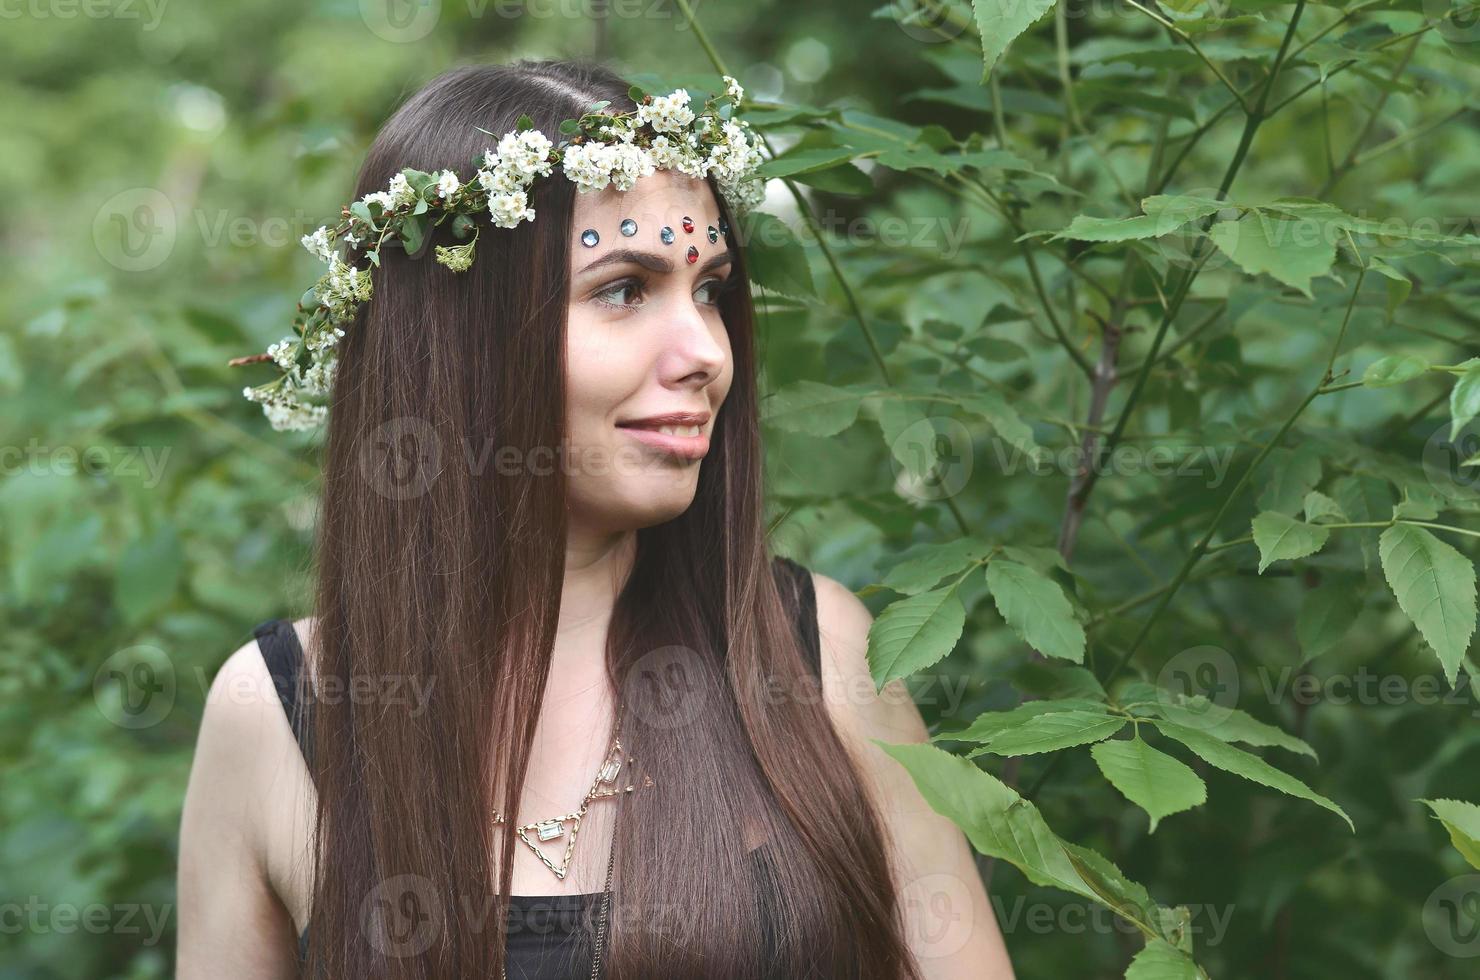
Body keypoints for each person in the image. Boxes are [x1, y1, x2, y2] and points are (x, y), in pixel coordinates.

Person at [176, 58, 1014, 979]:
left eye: (709, 289)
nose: (706, 352)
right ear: (460, 338)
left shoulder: (813, 654)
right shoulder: (279, 710)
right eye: (624, 289)